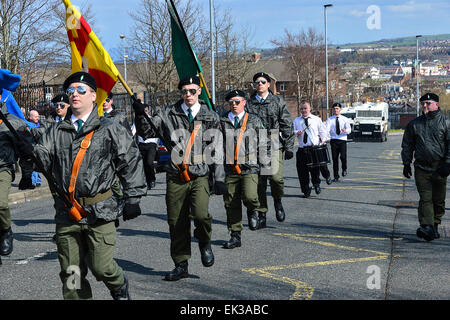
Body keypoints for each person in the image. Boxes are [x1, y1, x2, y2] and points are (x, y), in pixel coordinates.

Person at [21, 71, 147, 299]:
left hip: (100, 211)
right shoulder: (55, 131)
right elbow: (43, 157)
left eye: (81, 90)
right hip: (67, 212)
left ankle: (118, 284)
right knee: (71, 275)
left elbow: (130, 161)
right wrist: (30, 151)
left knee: (102, 267)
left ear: (93, 95)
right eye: (70, 91)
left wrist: (133, 197)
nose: (74, 94)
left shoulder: (109, 128)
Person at [133, 75, 226, 281]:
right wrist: (140, 114)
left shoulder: (210, 116)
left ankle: (204, 241)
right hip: (176, 175)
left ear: (199, 91)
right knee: (176, 222)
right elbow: (147, 129)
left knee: (201, 215)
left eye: (192, 91)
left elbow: (217, 149)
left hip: (200, 174)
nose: (188, 95)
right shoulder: (167, 114)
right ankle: (181, 263)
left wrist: (219, 178)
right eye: (184, 91)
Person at [245, 72, 294, 228]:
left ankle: (277, 200)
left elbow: (286, 124)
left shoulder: (278, 101)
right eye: (257, 82)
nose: (260, 84)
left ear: (268, 84)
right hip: (255, 144)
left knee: (275, 178)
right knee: (259, 182)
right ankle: (262, 213)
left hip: (273, 142)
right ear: (254, 85)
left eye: (263, 81)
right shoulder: (248, 104)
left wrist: (289, 145)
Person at [401, 92, 450, 241]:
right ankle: (427, 226)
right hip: (421, 168)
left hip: (439, 167)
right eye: (423, 103)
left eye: (428, 103)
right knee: (425, 198)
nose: (425, 106)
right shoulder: (415, 124)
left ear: (436, 104)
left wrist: (448, 163)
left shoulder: (446, 123)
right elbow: (407, 144)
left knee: (439, 200)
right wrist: (406, 163)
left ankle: (434, 225)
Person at [220, 90, 265, 248]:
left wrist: (265, 165)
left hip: (250, 166)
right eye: (231, 102)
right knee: (231, 202)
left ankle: (253, 209)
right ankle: (235, 235)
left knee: (250, 196)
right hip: (230, 168)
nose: (234, 105)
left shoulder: (253, 120)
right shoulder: (222, 121)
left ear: (244, 103)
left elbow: (264, 142)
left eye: (237, 102)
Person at [0, 91, 35, 261]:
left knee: (0, 204)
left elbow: (26, 150)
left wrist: (27, 174)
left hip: (3, 168)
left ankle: (5, 230)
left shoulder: (13, 122)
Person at [293, 100, 328, 198]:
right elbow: (292, 131)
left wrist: (323, 141)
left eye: (305, 108)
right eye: (302, 109)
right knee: (302, 172)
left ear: (310, 109)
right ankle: (305, 190)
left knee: (314, 170)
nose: (303, 110)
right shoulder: (296, 120)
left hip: (313, 148)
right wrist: (296, 132)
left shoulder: (316, 119)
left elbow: (323, 131)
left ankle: (316, 184)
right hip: (302, 149)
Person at [326, 103, 351, 182]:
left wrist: (345, 131)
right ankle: (336, 176)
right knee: (335, 159)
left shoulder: (345, 119)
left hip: (342, 140)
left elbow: (349, 130)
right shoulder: (330, 119)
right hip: (334, 140)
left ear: (340, 109)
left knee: (343, 157)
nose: (335, 110)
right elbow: (326, 129)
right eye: (334, 109)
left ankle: (344, 169)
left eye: (337, 108)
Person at [138, 105, 159, 190]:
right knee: (144, 164)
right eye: (143, 111)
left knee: (149, 162)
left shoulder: (153, 120)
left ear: (148, 111)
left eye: (146, 111)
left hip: (151, 144)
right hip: (141, 144)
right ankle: (148, 180)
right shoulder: (138, 120)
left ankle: (152, 179)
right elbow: (133, 131)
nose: (144, 112)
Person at [28, 110, 42, 187]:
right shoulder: (28, 125)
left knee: (36, 165)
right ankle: (34, 181)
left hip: (38, 148)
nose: (38, 118)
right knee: (33, 165)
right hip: (31, 147)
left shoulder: (39, 124)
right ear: (30, 117)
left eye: (38, 116)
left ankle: (36, 181)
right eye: (35, 116)